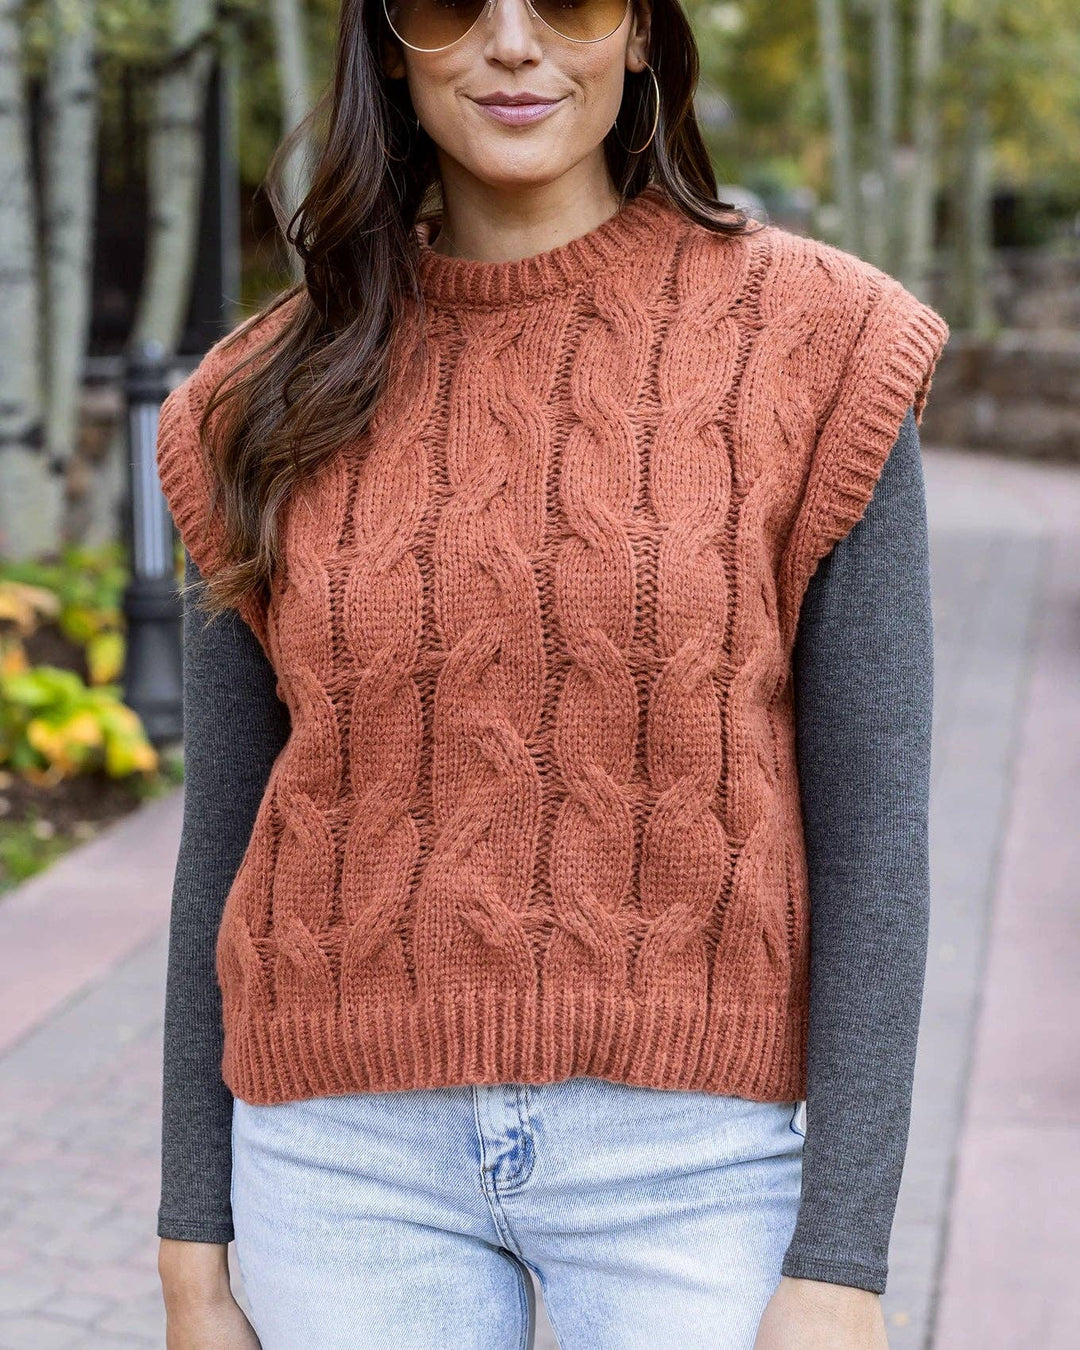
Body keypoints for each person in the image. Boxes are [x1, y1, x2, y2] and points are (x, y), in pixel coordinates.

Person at [155, 1, 949, 1347]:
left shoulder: (825, 348)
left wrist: (843, 1259)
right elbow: (222, 841)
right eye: (452, 3)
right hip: (339, 1159)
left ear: (638, 32)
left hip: (692, 1162)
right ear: (387, 43)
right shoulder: (258, 398)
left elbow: (878, 838)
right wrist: (192, 1253)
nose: (513, 42)